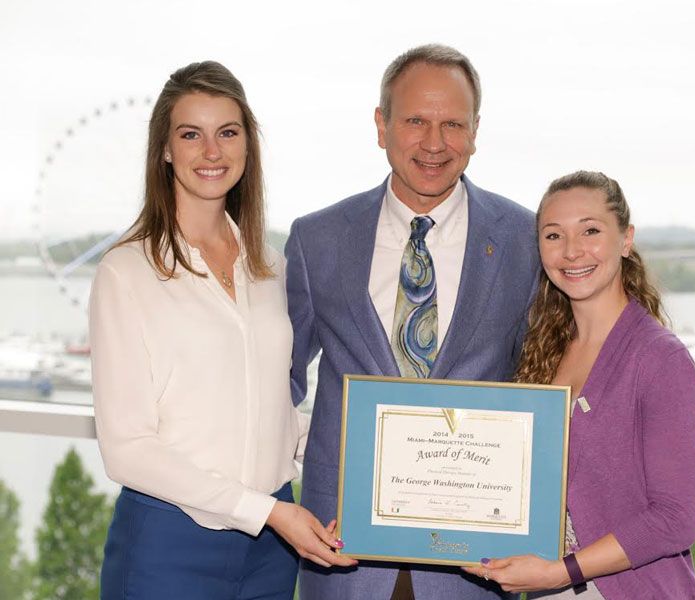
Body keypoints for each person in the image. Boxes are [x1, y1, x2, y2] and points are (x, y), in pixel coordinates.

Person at [89, 60, 355, 600]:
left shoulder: (270, 267)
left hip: (272, 551)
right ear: (165, 149)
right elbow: (127, 449)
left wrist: (359, 455)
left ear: (247, 145)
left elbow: (271, 406)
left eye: (227, 133)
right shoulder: (126, 271)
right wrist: (270, 512)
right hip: (168, 545)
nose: (212, 151)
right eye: (192, 134)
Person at [285, 44, 540, 600]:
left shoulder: (526, 240)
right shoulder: (317, 239)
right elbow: (280, 380)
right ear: (381, 125)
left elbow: (546, 384)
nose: (434, 143)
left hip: (476, 564)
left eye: (453, 123)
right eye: (416, 121)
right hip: (342, 551)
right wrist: (305, 458)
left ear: (475, 132)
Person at [465, 171, 695, 599]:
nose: (572, 251)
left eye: (591, 230)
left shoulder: (660, 359)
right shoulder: (547, 349)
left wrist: (562, 571)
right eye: (553, 236)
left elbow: (676, 519)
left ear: (626, 240)